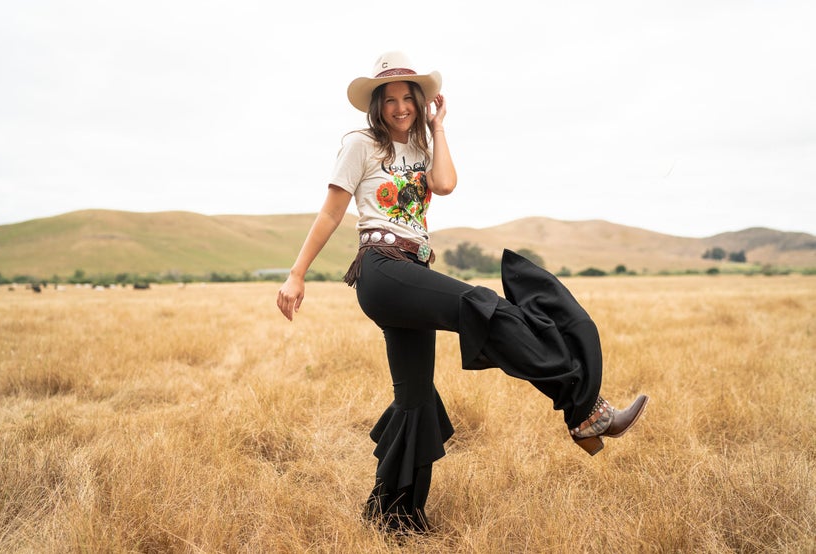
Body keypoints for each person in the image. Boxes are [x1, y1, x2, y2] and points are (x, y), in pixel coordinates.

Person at [276, 51, 648, 534]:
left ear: (419, 100)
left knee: (415, 400)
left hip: (410, 267)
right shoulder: (361, 145)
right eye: (389, 100)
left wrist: (439, 127)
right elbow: (330, 213)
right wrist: (296, 274)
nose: (399, 108)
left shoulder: (422, 147)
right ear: (376, 105)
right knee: (481, 303)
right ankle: (585, 409)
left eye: (407, 98)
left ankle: (394, 518)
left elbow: (446, 184)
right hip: (382, 269)